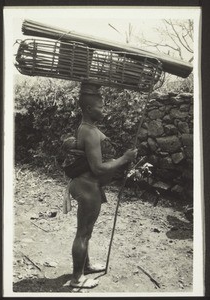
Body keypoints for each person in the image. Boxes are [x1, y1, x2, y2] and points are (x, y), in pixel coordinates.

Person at [67, 82, 138, 288]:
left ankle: (85, 267)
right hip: (87, 186)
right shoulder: (89, 132)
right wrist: (124, 158)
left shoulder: (87, 128)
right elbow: (98, 169)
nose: (104, 110)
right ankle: (77, 278)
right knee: (83, 232)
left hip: (88, 185)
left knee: (86, 231)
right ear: (89, 109)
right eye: (101, 107)